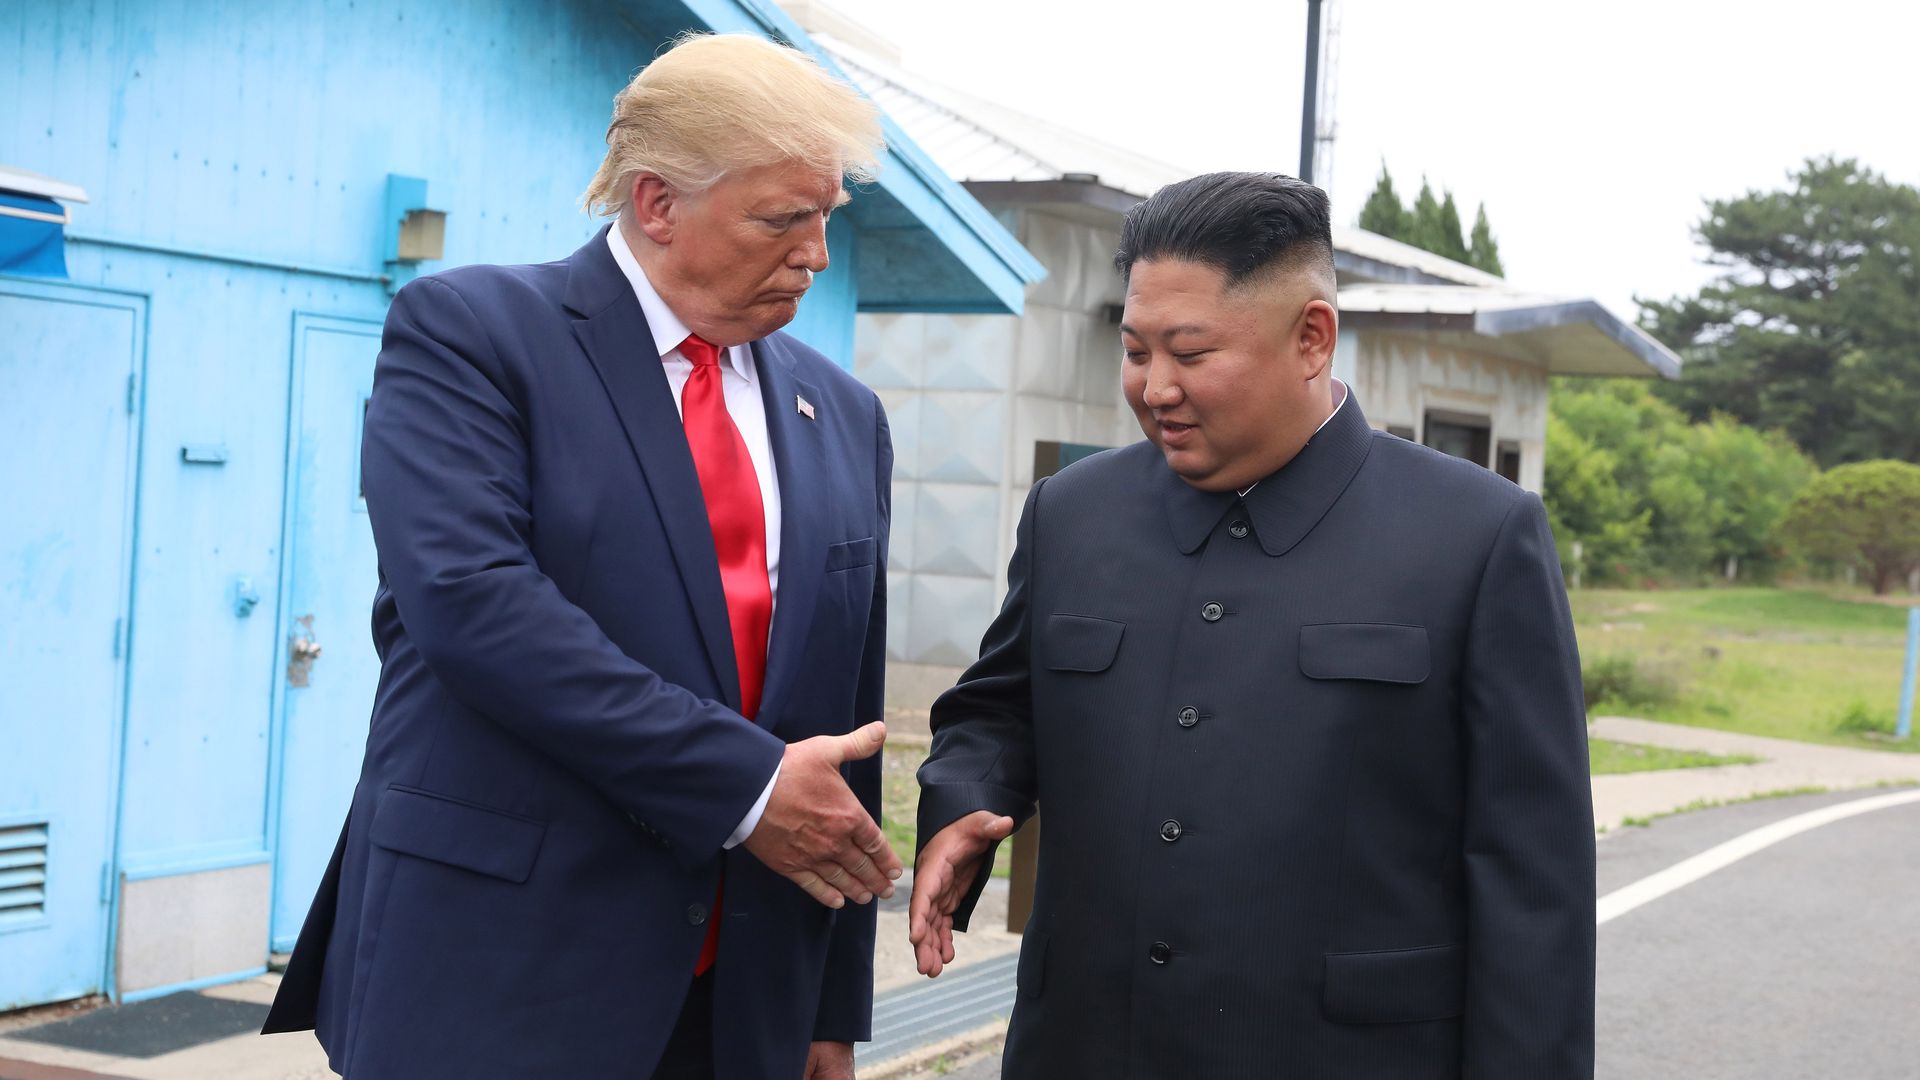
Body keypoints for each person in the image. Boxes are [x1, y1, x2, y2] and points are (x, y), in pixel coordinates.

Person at [264, 33, 900, 1080]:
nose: (816, 254)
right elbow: (476, 607)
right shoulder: (474, 333)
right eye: (784, 219)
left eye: (827, 217)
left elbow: (844, 712)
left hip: (742, 998)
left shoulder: (843, 412)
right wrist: (745, 787)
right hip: (504, 973)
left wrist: (831, 1005)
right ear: (656, 202)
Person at [909, 172, 1595, 1078]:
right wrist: (963, 801)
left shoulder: (1475, 535)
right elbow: (998, 712)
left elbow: (1531, 875)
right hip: (1086, 1046)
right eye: (1136, 350)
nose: (1155, 388)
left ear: (1312, 337)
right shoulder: (1073, 515)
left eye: (1191, 354)